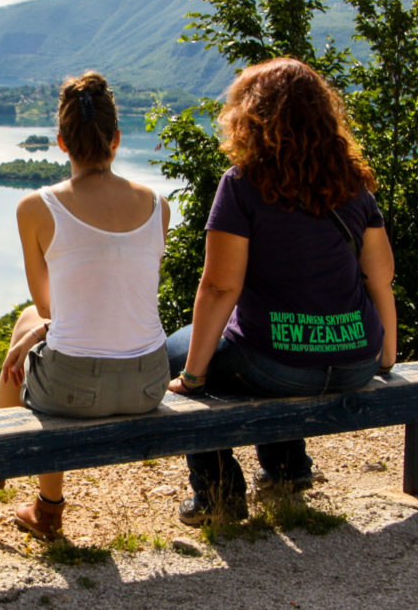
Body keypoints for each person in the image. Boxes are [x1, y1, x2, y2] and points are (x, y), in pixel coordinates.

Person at [166, 57, 398, 526]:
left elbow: (218, 287)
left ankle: (218, 494)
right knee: (266, 340)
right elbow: (381, 278)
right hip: (356, 359)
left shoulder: (242, 185)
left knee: (177, 349)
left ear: (251, 116)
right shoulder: (353, 185)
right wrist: (385, 356)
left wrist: (192, 376)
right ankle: (287, 472)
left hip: (279, 367)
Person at [0, 71, 171, 541]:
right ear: (117, 139)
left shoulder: (35, 208)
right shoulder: (158, 205)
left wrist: (37, 329)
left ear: (62, 142)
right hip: (150, 383)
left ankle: (17, 481)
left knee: (28, 319)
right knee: (40, 325)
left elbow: (47, 305)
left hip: (71, 390)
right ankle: (35, 500)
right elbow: (128, 297)